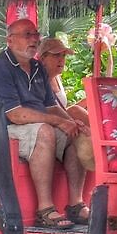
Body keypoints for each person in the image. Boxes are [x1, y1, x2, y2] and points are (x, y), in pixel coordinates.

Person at [0, 19, 91, 228]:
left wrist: (70, 122)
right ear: (10, 41)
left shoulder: (38, 67)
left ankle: (75, 203)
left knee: (72, 134)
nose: (33, 39)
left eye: (35, 35)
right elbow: (15, 115)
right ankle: (45, 209)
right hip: (1, 132)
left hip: (33, 125)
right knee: (45, 131)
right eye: (27, 35)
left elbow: (50, 105)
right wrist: (57, 121)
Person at [37, 36, 95, 170]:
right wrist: (71, 120)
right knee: (75, 111)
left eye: (63, 56)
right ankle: (103, 143)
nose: (61, 60)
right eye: (56, 55)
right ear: (42, 58)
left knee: (77, 110)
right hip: (47, 126)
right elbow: (46, 109)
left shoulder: (56, 77)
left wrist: (87, 101)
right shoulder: (38, 79)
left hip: (63, 120)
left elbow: (62, 107)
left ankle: (103, 140)